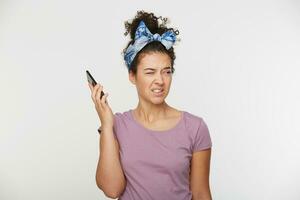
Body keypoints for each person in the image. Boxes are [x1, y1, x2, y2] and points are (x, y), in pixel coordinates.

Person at [88, 10, 213, 200]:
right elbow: (112, 190)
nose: (160, 81)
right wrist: (106, 125)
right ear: (132, 76)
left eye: (166, 71)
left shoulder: (195, 128)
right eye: (149, 72)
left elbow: (201, 194)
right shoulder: (116, 125)